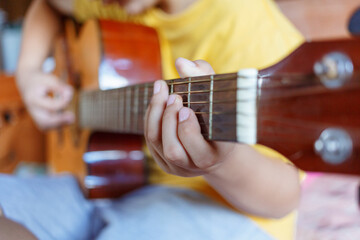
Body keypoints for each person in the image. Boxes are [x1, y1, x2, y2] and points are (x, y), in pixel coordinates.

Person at [1, 0, 305, 239]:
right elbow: (51, 4)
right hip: (105, 189)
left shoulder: (249, 26)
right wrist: (28, 72)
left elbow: (284, 198)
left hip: (219, 206)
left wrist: (220, 162)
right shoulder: (117, 1)